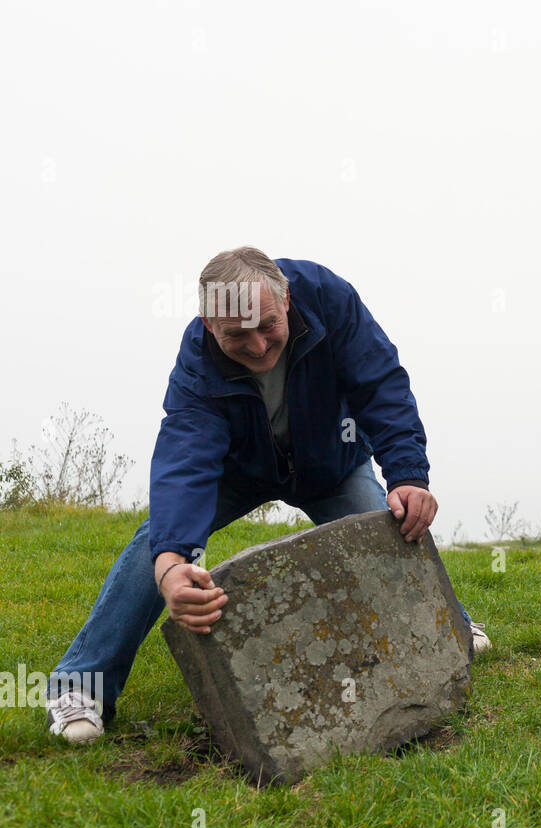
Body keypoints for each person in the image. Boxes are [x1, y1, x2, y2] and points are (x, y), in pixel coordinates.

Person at [46, 247, 489, 743]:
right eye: (237, 334)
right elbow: (186, 458)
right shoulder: (197, 362)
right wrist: (172, 564)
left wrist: (409, 476)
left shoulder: (330, 298)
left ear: (287, 299)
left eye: (268, 325)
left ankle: (452, 626)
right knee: (158, 547)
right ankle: (79, 688)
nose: (257, 346)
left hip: (330, 463)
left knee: (392, 525)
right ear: (209, 325)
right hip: (239, 470)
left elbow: (380, 384)